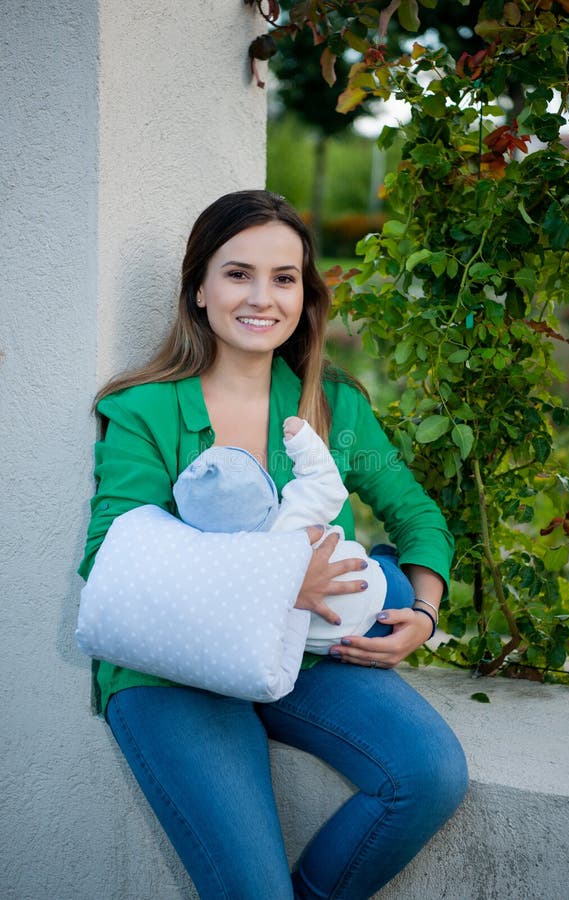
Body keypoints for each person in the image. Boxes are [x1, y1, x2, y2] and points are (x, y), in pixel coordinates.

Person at [79, 189, 468, 899]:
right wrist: (277, 579)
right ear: (198, 288)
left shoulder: (333, 405)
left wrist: (426, 614)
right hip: (173, 672)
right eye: (238, 274)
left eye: (284, 278)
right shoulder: (142, 410)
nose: (264, 298)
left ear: (304, 293)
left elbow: (418, 518)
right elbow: (113, 559)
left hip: (306, 652)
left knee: (428, 773)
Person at [173, 413, 414, 653]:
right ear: (266, 490)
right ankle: (384, 556)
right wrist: (302, 441)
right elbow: (324, 483)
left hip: (337, 641)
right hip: (387, 593)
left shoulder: (230, 572)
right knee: (384, 561)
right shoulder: (291, 520)